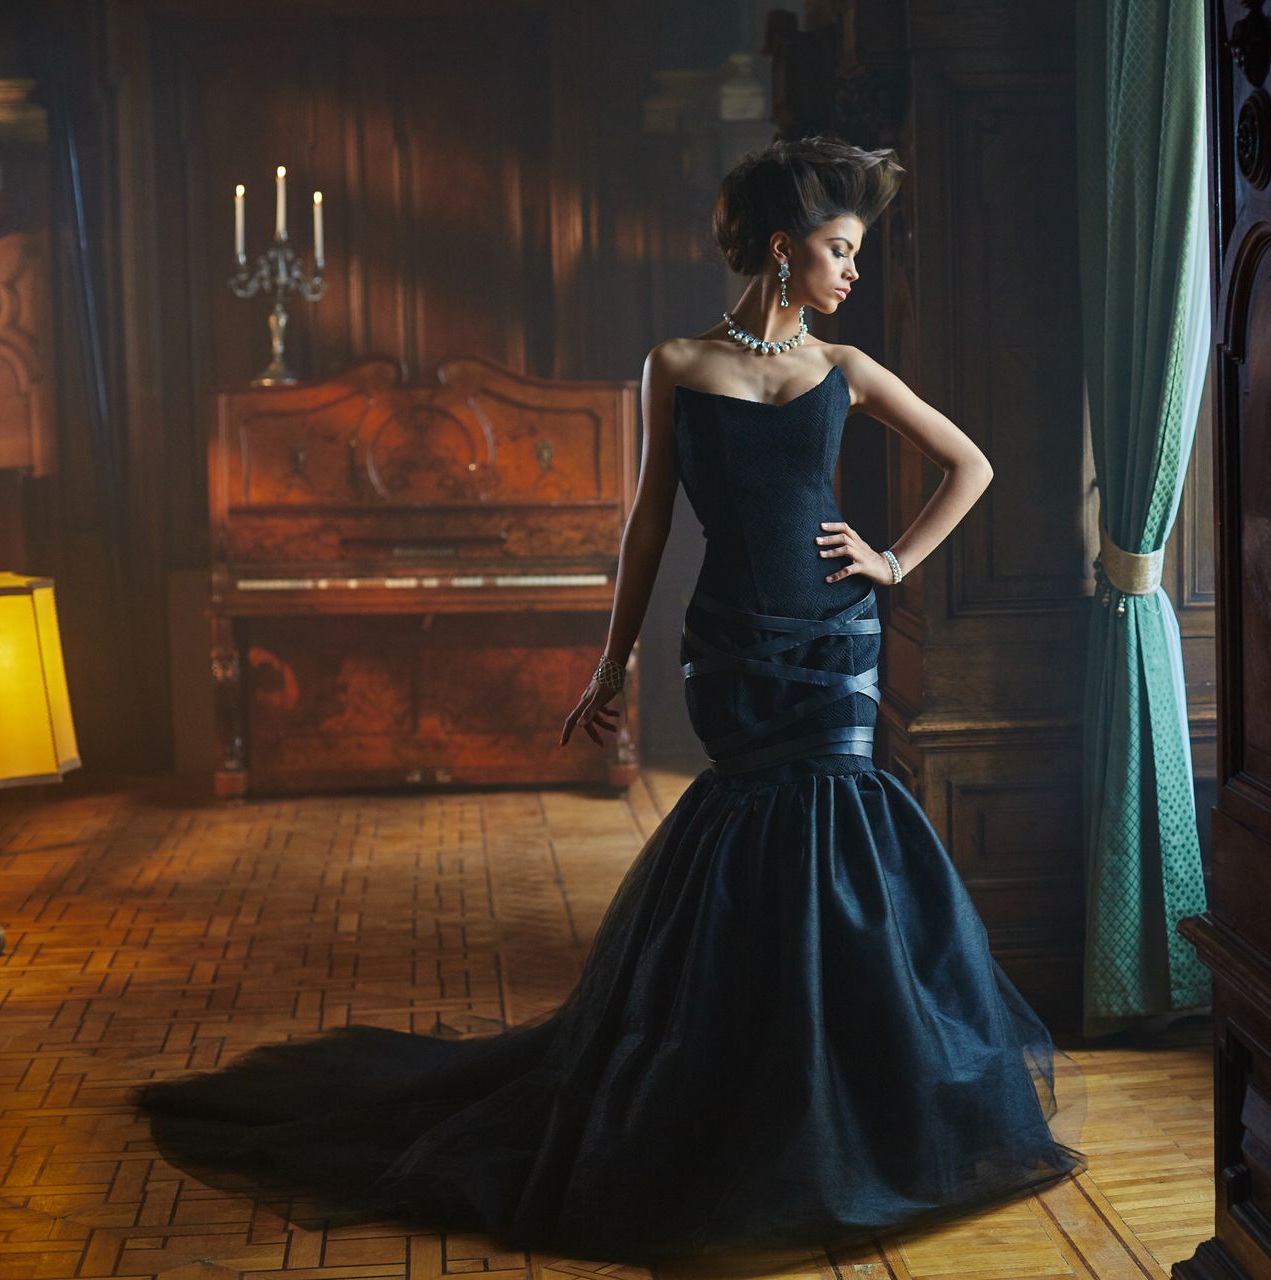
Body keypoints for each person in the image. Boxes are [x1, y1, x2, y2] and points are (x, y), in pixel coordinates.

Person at [133, 136, 1087, 1269]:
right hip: (730, 647)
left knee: (841, 827)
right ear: (784, 252)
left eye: (857, 254)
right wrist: (610, 659)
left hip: (835, 642)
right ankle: (739, 1088)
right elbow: (646, 523)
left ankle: (855, 1096)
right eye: (840, 251)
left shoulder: (847, 367)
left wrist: (891, 560)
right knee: (749, 840)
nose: (852, 273)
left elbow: (970, 465)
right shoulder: (676, 363)